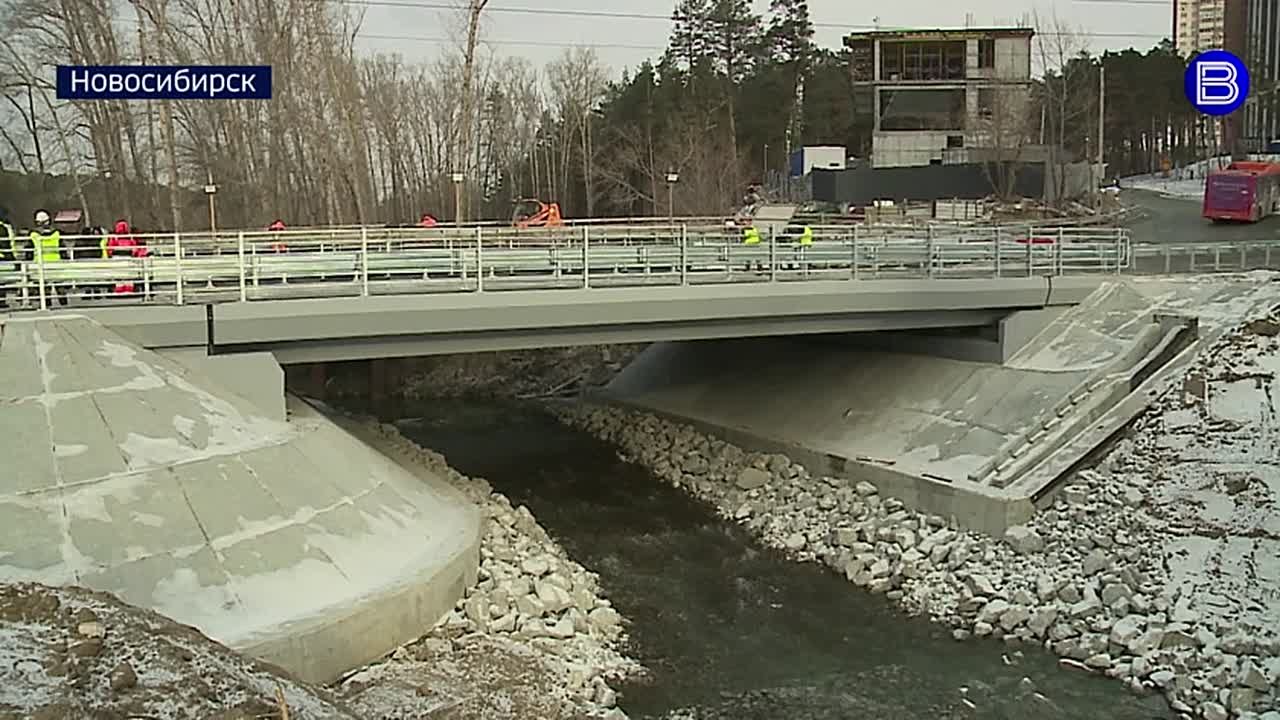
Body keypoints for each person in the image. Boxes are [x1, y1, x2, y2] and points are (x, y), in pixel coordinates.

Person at [29, 210, 67, 305]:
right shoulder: (56, 233)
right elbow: (62, 248)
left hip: (39, 263)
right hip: (56, 262)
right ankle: (63, 302)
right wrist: (65, 258)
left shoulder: (33, 234)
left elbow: (29, 250)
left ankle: (47, 303)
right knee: (59, 284)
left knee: (44, 285)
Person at [103, 220, 147, 295]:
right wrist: (134, 254)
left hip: (117, 258)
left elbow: (109, 248)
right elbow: (134, 247)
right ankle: (128, 288)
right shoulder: (130, 238)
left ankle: (120, 289)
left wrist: (110, 254)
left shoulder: (114, 238)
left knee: (119, 274)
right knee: (128, 274)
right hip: (128, 257)